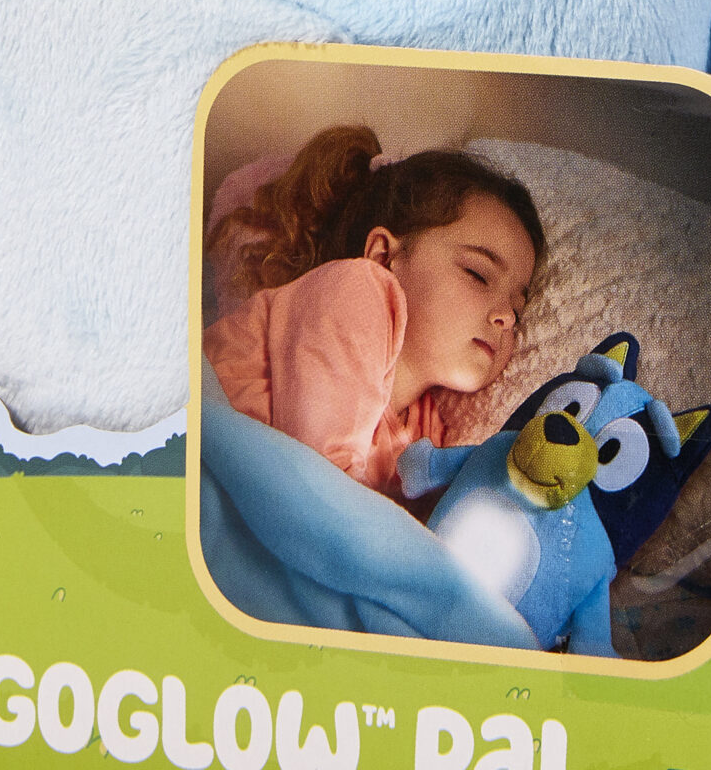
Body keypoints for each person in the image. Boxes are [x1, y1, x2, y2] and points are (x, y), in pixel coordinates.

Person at [203, 125, 543, 495]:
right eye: (478, 274)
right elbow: (320, 483)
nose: (506, 317)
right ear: (383, 257)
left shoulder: (426, 432)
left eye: (517, 309)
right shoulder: (352, 290)